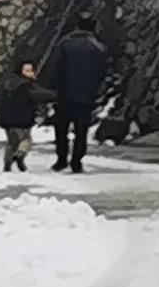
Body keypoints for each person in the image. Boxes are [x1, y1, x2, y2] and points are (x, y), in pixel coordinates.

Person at [45, 13, 111, 173]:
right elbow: (103, 73)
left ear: (77, 26)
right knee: (81, 130)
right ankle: (76, 161)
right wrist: (97, 92)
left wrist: (52, 89)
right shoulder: (98, 48)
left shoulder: (64, 44)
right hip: (86, 96)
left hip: (64, 94)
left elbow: (54, 69)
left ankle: (61, 159)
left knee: (61, 128)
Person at [0, 60, 44, 172]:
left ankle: (7, 163)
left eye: (31, 70)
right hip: (22, 120)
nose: (30, 73)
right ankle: (19, 156)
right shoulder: (27, 85)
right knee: (26, 140)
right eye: (27, 71)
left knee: (12, 142)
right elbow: (39, 95)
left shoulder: (8, 84)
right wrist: (57, 94)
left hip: (8, 120)